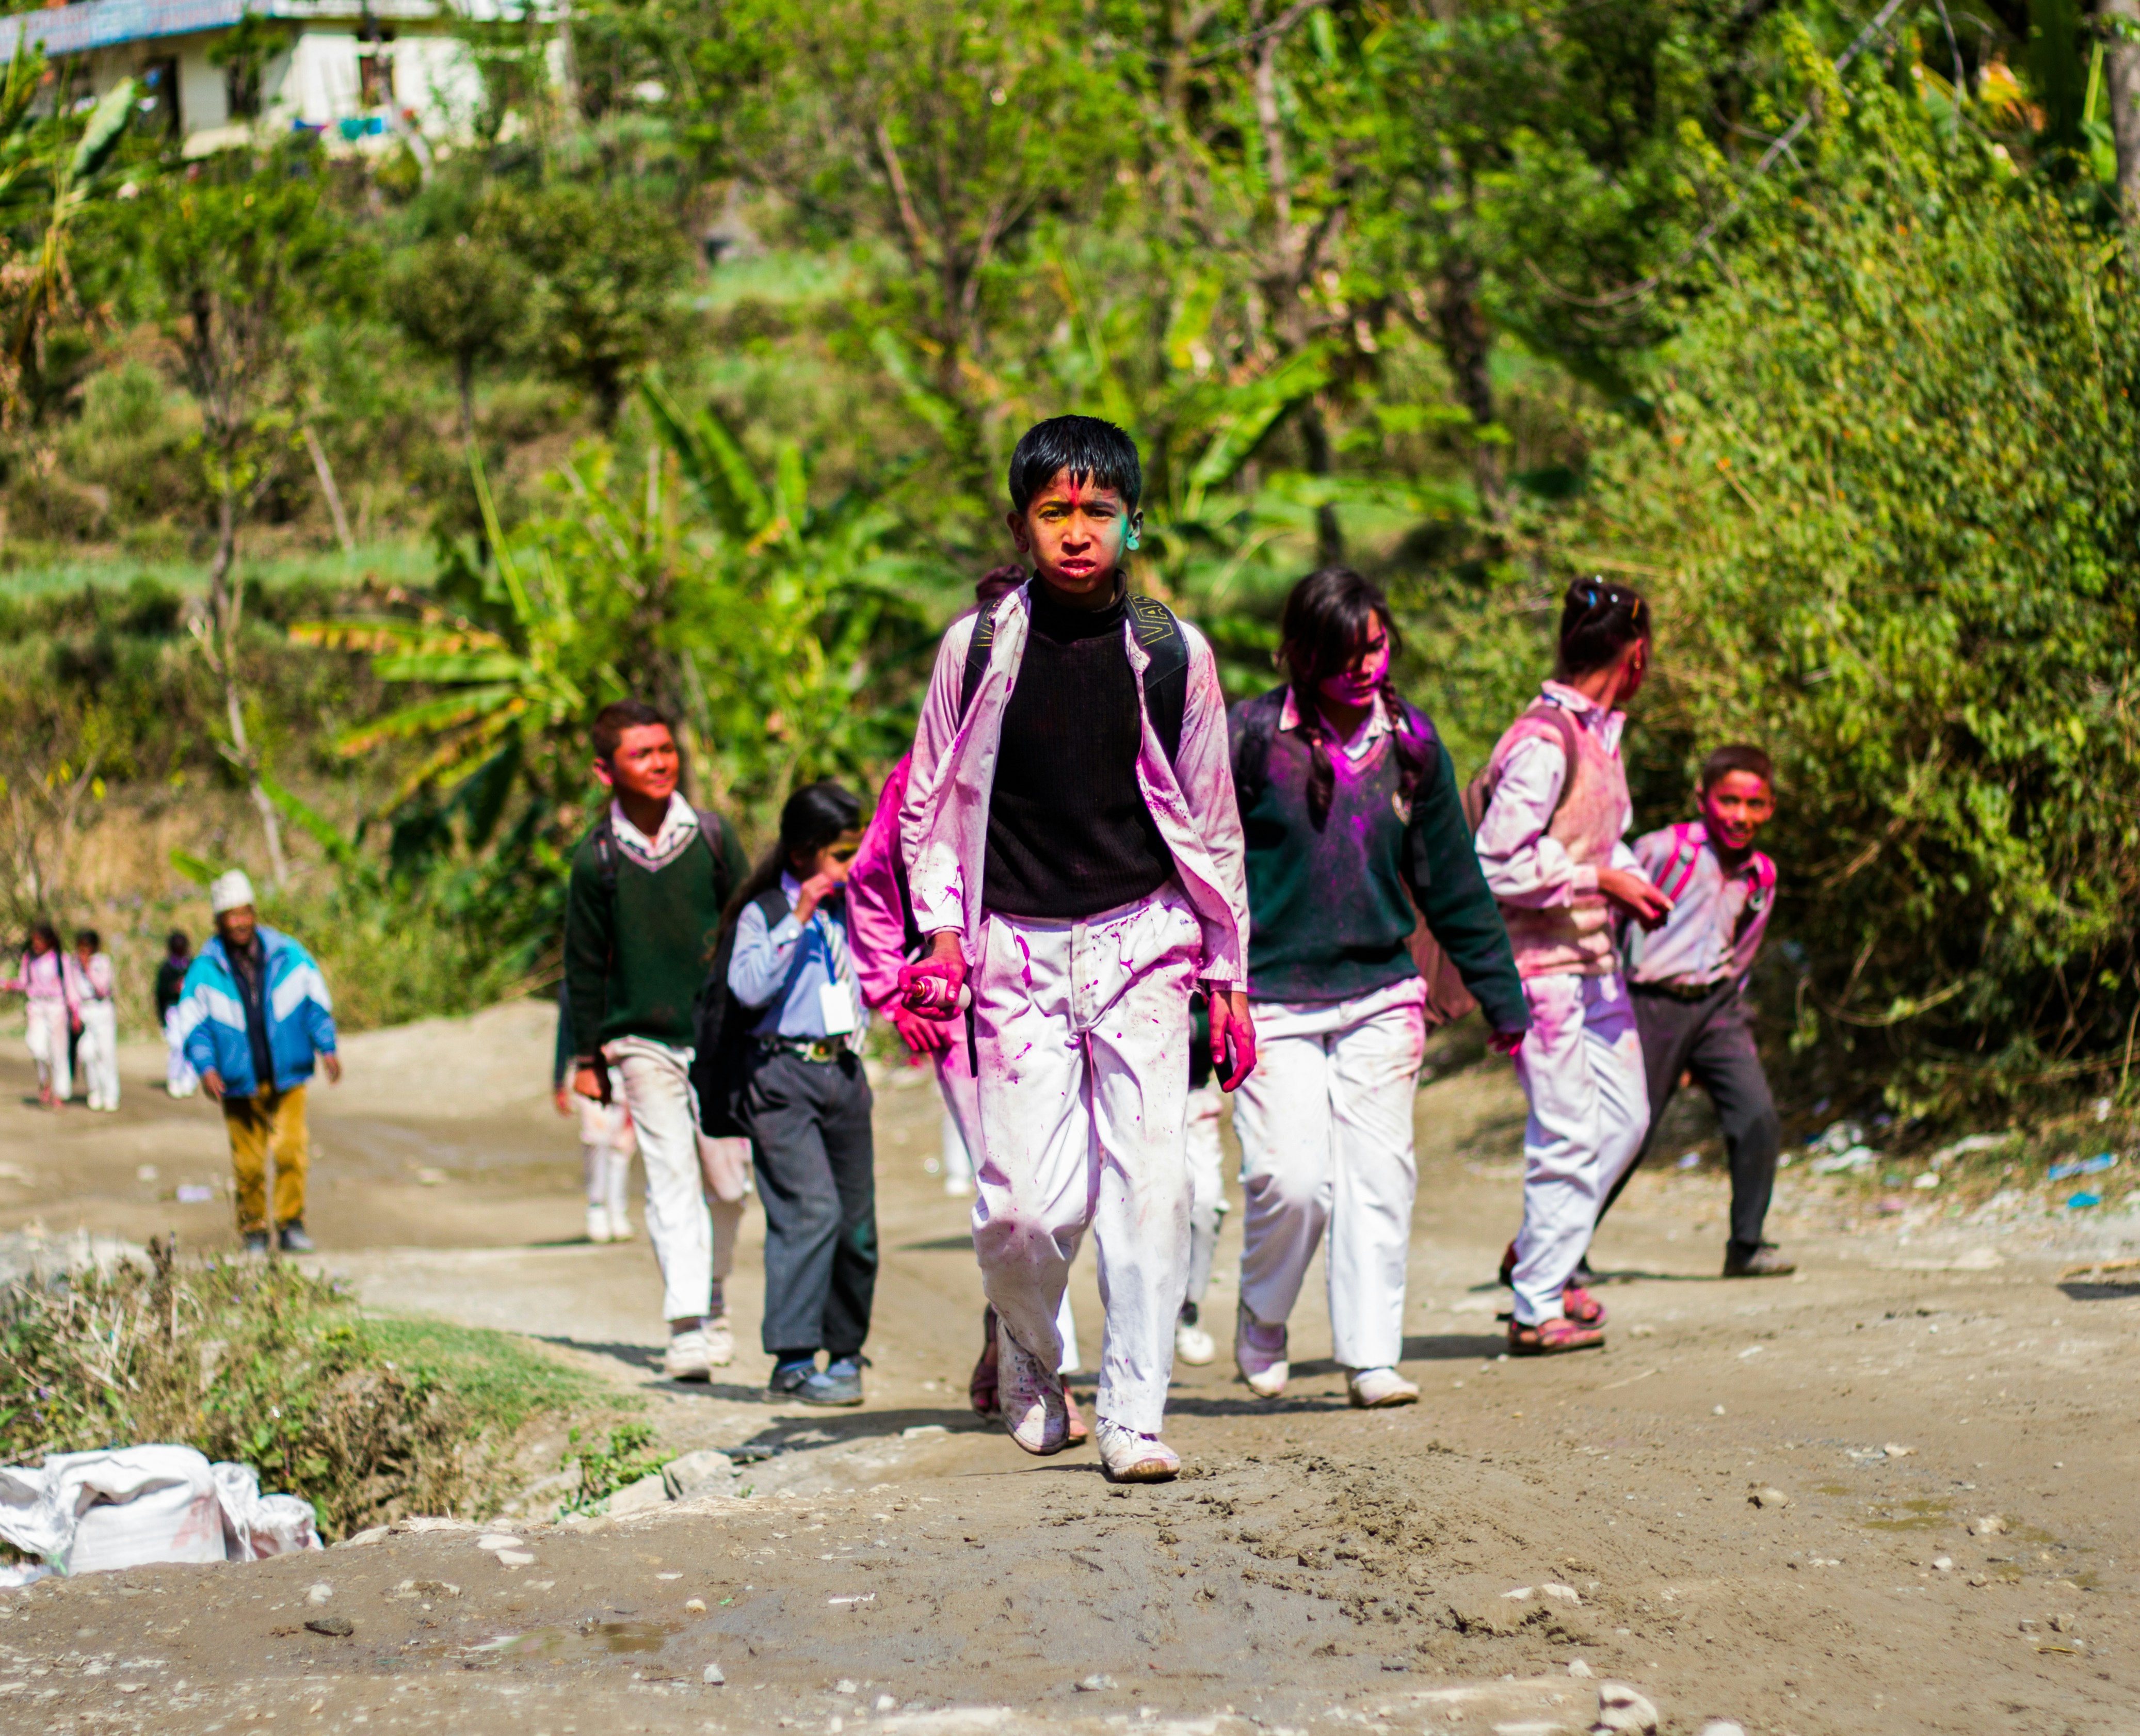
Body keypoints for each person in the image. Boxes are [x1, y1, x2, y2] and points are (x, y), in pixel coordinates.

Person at [899, 414, 1256, 1484]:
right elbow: (930, 802)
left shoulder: (1170, 652)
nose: (1076, 532)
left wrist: (1230, 977)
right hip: (1011, 945)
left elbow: (1214, 816)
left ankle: (1134, 1414)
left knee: (1153, 1190)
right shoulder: (973, 648)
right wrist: (945, 935)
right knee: (1023, 1207)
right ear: (1022, 522)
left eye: (1098, 510)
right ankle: (1032, 1352)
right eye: (1054, 511)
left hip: (1143, 939)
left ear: (1132, 523)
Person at [1228, 568, 1527, 1405]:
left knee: (1378, 1173)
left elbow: (1455, 885)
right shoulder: (1247, 738)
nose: (1363, 666)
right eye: (1341, 653)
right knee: (1291, 1180)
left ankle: (1370, 1355)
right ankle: (1263, 1311)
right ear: (1300, 654)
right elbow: (1205, 868)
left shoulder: (1411, 744)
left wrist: (1503, 1002)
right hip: (1273, 998)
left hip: (1379, 994)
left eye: (1376, 645)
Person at [1474, 580, 1671, 1354]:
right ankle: (1534, 1311)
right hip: (1541, 974)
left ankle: (1539, 1255)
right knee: (1565, 1135)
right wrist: (1600, 881)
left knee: (1623, 1120)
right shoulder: (1542, 738)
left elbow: (1587, 834)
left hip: (1593, 964)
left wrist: (1624, 875)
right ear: (1636, 654)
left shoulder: (1598, 736)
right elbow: (1496, 859)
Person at [564, 699, 752, 1382]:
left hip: (719, 1037)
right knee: (670, 1175)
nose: (659, 763)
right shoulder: (597, 859)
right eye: (641, 754)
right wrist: (587, 1059)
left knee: (730, 1186)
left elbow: (745, 926)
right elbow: (584, 966)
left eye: (665, 750)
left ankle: (713, 1293)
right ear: (603, 770)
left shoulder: (709, 836)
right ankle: (686, 1327)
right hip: (640, 1043)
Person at [1596, 744, 1790, 1278]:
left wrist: (1726, 1017)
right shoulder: (1663, 851)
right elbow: (1612, 920)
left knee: (1757, 1115)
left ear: (1770, 807)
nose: (1740, 816)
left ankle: (1746, 1245)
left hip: (1718, 1005)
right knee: (1627, 1129)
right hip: (1649, 1002)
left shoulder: (1761, 876)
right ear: (1702, 799)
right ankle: (1555, 1253)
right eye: (1728, 801)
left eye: (1754, 804)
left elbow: (1744, 944)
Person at [726, 781, 877, 1408]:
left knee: (856, 1222)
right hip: (781, 1075)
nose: (851, 865)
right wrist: (799, 917)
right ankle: (791, 1360)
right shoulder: (763, 914)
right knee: (808, 1210)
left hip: (843, 1072)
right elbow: (747, 988)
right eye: (840, 856)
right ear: (801, 855)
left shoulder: (857, 911)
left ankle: (844, 1354)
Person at [178, 872, 341, 1253]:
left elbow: (315, 1005)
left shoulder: (289, 954)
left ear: (253, 913)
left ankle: (291, 1225)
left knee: (291, 1152)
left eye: (244, 913)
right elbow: (194, 1026)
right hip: (237, 1083)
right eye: (229, 916)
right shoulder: (204, 969)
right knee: (248, 1165)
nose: (238, 922)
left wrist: (328, 1048)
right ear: (218, 921)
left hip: (288, 1077)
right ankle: (253, 1230)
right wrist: (206, 1068)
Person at [554, 981, 636, 1244]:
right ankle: (597, 1207)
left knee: (622, 1144)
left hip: (623, 1064)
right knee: (596, 1138)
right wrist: (558, 1080)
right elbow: (565, 1033)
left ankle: (618, 1210)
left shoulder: (627, 975)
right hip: (587, 1066)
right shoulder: (575, 984)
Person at [4, 923, 78, 1111]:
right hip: (37, 1006)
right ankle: (45, 1080)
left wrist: (75, 1011)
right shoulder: (29, 959)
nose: (36, 944)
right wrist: (10, 985)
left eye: (40, 941)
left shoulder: (62, 960)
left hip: (57, 1006)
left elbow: (70, 987)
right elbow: (25, 982)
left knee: (59, 1052)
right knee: (36, 1046)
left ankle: (60, 1092)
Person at [73, 930, 119, 1113]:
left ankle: (111, 1094)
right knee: (86, 1053)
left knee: (106, 1054)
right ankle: (95, 1091)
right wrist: (75, 1013)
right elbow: (73, 989)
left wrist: (88, 969)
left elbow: (102, 988)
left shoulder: (103, 962)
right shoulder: (73, 964)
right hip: (85, 1010)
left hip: (102, 1009)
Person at [156, 931, 198, 1099]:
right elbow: (160, 993)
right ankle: (174, 1078)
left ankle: (189, 1079)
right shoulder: (167, 968)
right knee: (177, 1046)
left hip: (191, 1008)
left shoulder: (193, 965)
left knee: (191, 1043)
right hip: (173, 1010)